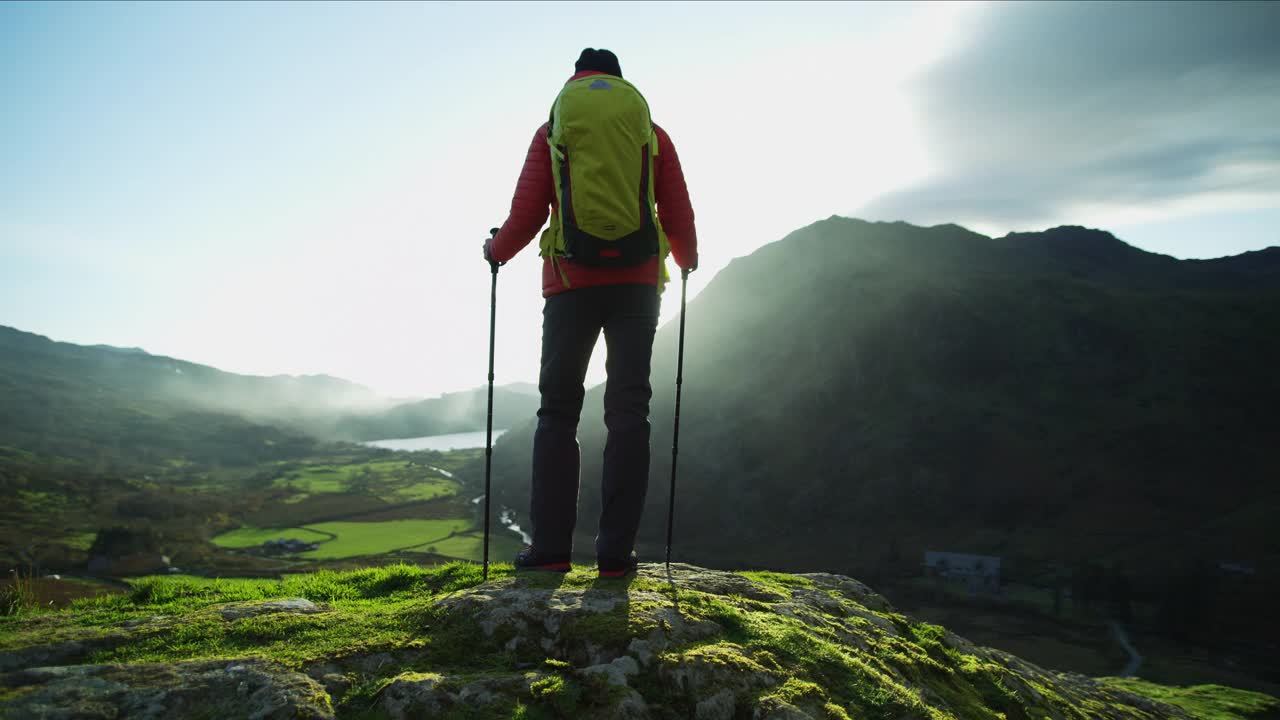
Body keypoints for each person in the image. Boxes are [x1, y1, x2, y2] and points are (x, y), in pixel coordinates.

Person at [484, 48, 698, 578]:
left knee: (557, 412)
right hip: (638, 285)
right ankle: (616, 555)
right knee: (629, 412)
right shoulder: (651, 131)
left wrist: (496, 251)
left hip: (570, 285)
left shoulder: (553, 127)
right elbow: (675, 208)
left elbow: (529, 211)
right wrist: (688, 259)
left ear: (576, 78)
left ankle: (552, 550)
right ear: (621, 83)